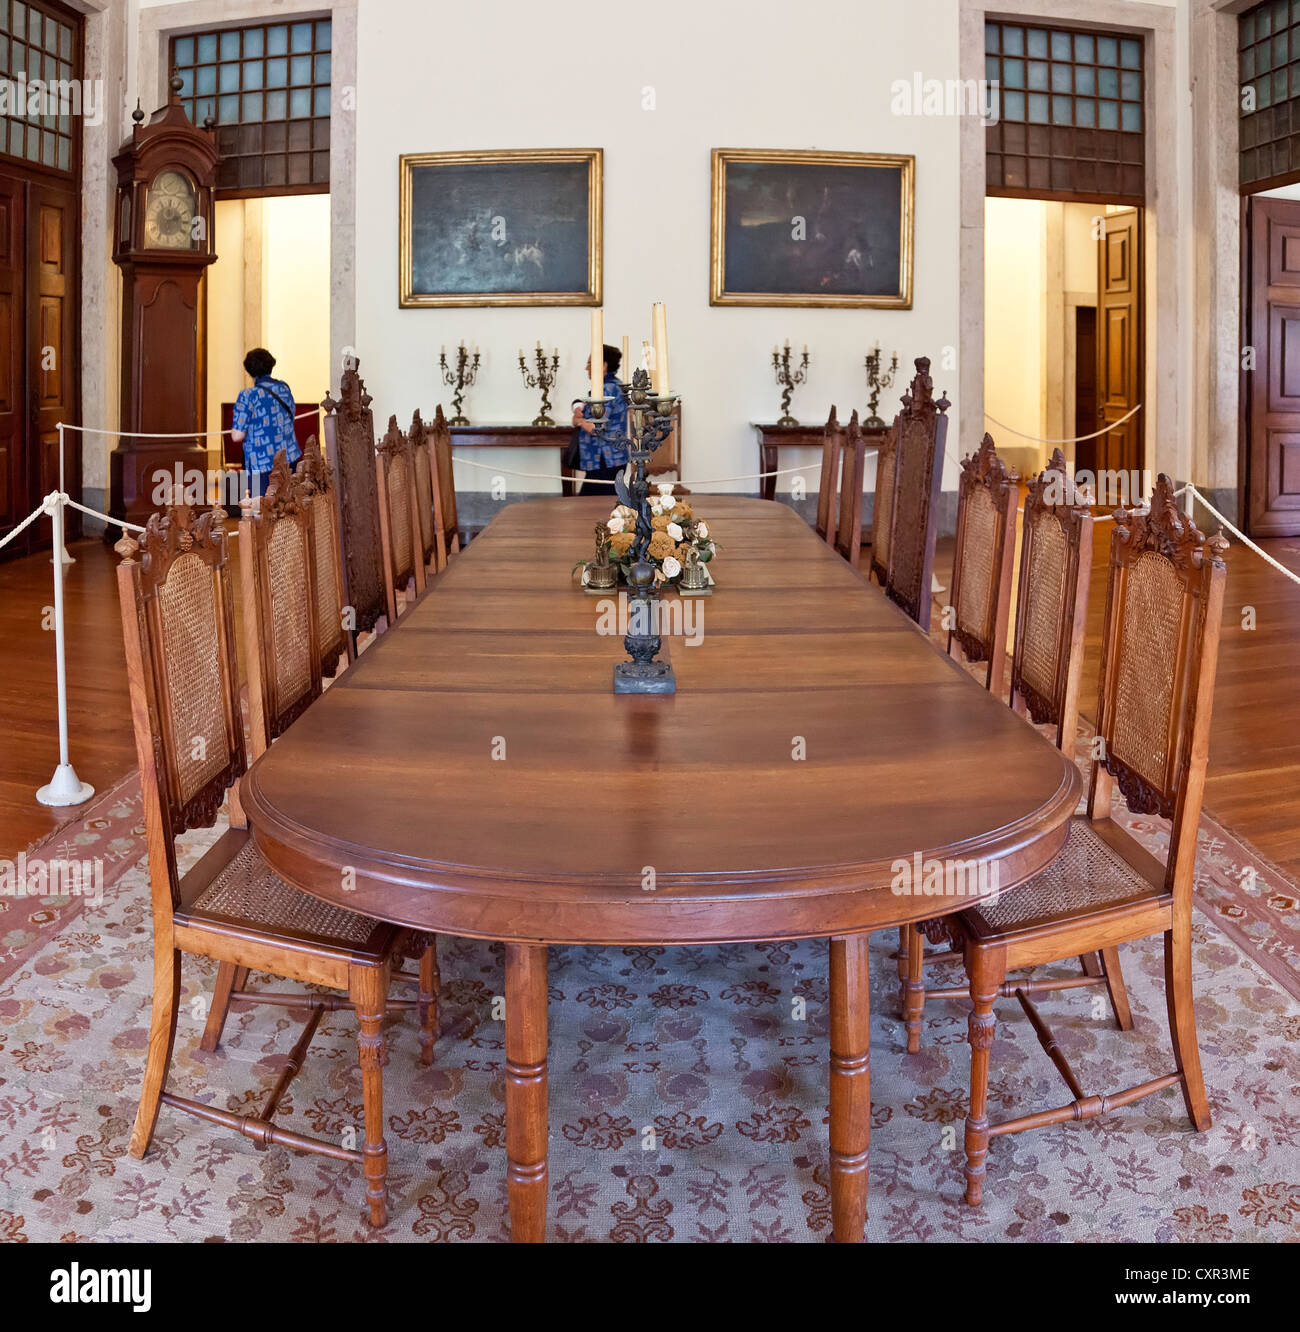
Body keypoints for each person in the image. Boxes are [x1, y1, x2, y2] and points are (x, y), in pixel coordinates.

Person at [231, 347, 300, 498]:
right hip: (289, 458)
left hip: (261, 464)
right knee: (289, 505)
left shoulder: (247, 395)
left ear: (249, 370)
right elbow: (292, 415)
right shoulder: (284, 388)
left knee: (262, 510)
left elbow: (237, 436)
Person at [570, 343, 628, 490]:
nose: (586, 368)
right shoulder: (616, 385)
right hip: (612, 458)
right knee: (600, 506)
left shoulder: (605, 389)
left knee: (590, 507)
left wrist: (579, 421)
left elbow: (598, 428)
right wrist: (581, 414)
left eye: (589, 363)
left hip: (604, 459)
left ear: (603, 365)